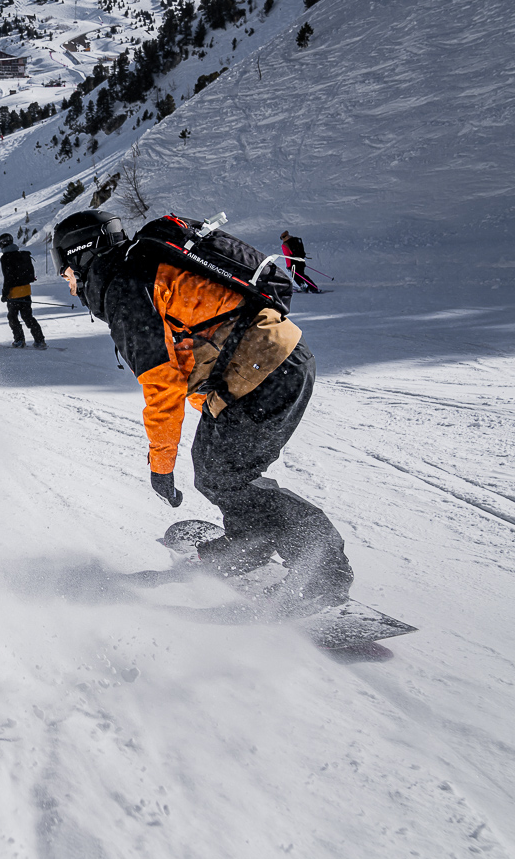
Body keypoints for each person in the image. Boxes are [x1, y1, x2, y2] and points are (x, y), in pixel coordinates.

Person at [53, 210, 353, 613]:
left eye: (65, 270)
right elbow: (194, 346)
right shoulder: (144, 269)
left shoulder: (125, 288)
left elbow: (163, 386)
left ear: (83, 256)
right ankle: (254, 540)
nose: (68, 282)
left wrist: (161, 465)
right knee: (220, 469)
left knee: (220, 471)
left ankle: (322, 572)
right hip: (274, 363)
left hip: (266, 370)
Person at [0, 233, 46, 349]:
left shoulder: (6, 258)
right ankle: (40, 341)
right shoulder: (23, 255)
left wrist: (5, 294)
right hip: (26, 291)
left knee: (12, 317)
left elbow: (8, 277)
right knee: (28, 317)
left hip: (14, 293)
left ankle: (19, 340)